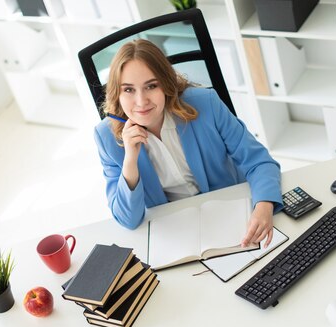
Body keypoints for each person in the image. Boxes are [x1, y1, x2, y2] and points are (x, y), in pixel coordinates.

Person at [93, 39, 282, 247]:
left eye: (151, 86)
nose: (141, 101)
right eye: (128, 90)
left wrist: (264, 206)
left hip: (229, 211)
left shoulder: (206, 103)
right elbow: (128, 220)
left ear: (165, 84)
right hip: (176, 230)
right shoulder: (107, 137)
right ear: (116, 93)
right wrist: (130, 160)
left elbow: (260, 162)